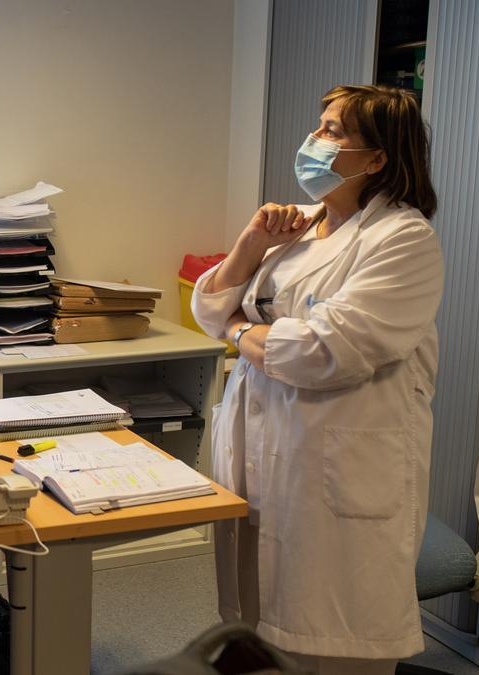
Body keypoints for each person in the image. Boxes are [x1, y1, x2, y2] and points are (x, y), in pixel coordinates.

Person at [191, 84, 443, 674]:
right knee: (254, 633)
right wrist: (252, 242)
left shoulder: (403, 240)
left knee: (326, 646)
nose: (313, 140)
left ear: (377, 159)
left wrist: (236, 333)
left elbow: (323, 352)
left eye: (332, 131)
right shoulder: (297, 224)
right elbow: (208, 307)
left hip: (332, 475)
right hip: (262, 456)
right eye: (319, 125)